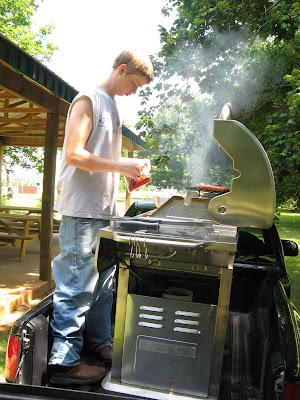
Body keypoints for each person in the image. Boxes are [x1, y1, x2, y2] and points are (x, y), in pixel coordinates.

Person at [48, 50, 154, 386]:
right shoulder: (88, 100)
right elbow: (74, 154)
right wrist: (121, 164)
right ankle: (63, 363)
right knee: (77, 287)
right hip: (81, 211)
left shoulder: (113, 106)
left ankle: (100, 342)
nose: (134, 92)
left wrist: (127, 174)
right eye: (134, 85)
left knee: (103, 287)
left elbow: (101, 159)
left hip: (105, 213)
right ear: (122, 69)